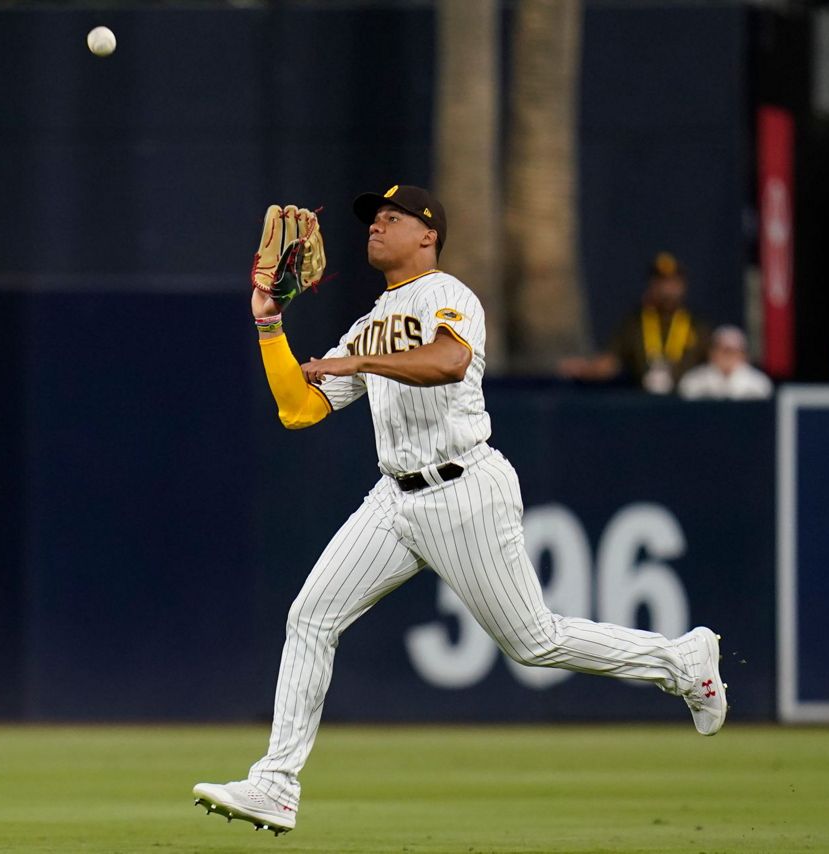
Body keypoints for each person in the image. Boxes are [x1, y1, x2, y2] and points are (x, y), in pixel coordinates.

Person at [192, 186, 727, 836]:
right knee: (310, 618)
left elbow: (449, 360)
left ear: (428, 235)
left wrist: (361, 360)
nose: (377, 227)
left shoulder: (450, 296)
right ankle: (276, 786)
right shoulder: (368, 322)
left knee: (534, 642)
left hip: (463, 486)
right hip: (395, 497)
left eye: (392, 218)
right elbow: (298, 408)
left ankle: (681, 662)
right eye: (372, 220)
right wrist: (269, 322)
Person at [558, 252, 711, 393]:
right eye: (661, 282)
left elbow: (715, 362)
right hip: (644, 402)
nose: (667, 289)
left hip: (688, 404)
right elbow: (611, 362)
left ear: (683, 285)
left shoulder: (697, 325)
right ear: (652, 285)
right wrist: (585, 369)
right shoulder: (634, 323)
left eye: (672, 282)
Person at [677, 325, 773, 400]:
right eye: (725, 350)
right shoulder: (693, 381)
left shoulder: (758, 383)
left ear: (744, 355)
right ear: (712, 353)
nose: (729, 356)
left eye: (734, 351)